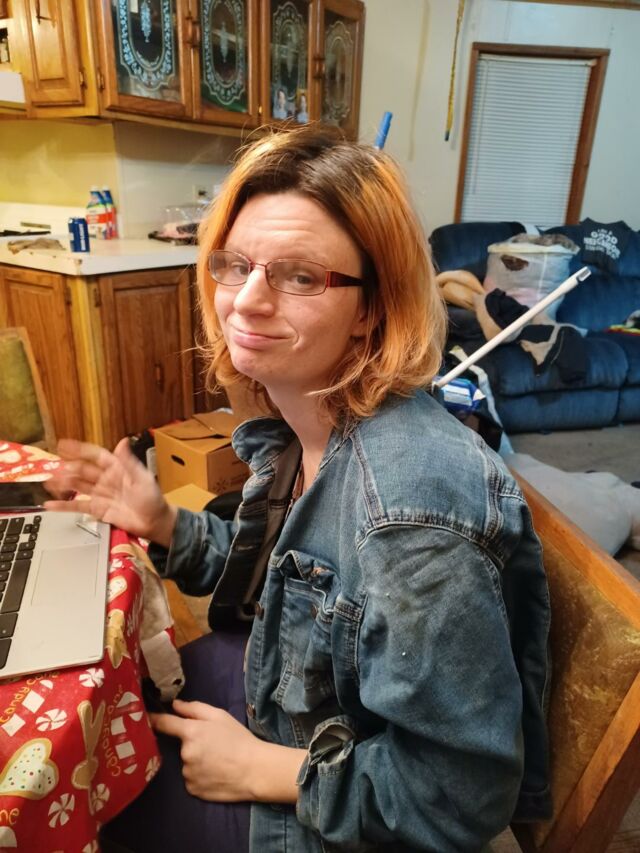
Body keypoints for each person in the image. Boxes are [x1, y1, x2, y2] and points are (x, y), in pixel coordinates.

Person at [46, 127, 552, 853]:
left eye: (301, 277)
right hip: (296, 706)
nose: (245, 302)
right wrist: (164, 522)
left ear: (372, 307)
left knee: (85, 797)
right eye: (236, 265)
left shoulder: (410, 513)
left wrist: (264, 769)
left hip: (327, 805)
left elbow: (460, 796)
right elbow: (296, 588)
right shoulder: (310, 423)